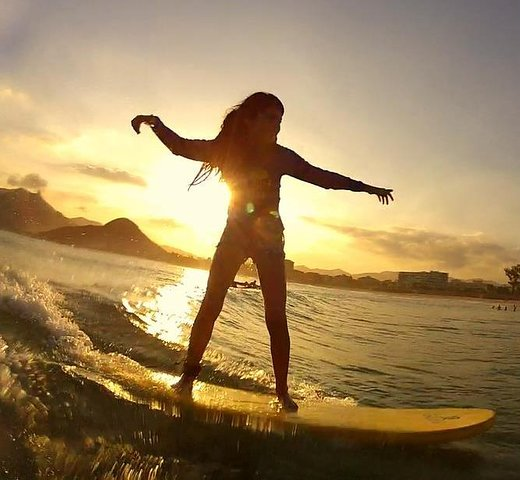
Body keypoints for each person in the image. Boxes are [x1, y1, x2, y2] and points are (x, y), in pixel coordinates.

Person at [132, 92, 394, 411]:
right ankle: (187, 378)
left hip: (270, 241)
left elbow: (323, 178)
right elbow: (180, 146)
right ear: (250, 118)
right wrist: (155, 123)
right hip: (235, 236)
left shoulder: (280, 157)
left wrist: (367, 188)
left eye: (280, 120)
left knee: (276, 315)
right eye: (271, 117)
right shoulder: (224, 150)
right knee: (211, 303)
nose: (277, 126)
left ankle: (282, 392)